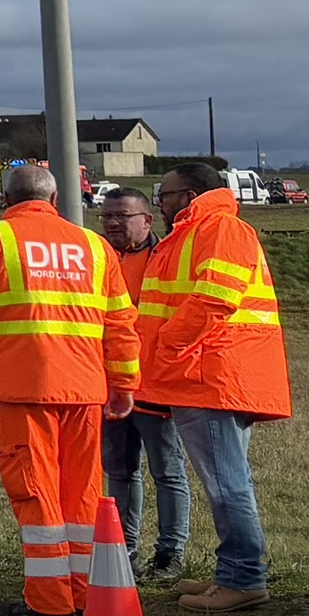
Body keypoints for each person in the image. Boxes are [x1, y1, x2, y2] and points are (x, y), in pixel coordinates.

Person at [0, 164, 139, 616]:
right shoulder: (95, 246)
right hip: (86, 390)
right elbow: (121, 325)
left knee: (37, 494)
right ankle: (86, 595)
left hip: (23, 388)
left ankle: (49, 603)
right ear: (53, 201)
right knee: (82, 494)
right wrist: (124, 385)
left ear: (8, 200)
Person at [140, 163, 292, 612]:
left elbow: (214, 300)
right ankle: (233, 573)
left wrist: (168, 347)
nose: (160, 202)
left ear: (188, 195)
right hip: (205, 374)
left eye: (163, 194)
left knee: (228, 484)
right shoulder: (202, 230)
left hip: (208, 376)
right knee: (227, 481)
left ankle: (242, 577)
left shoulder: (220, 229)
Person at [97, 187, 191, 579]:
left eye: (123, 216)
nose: (114, 223)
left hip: (156, 387)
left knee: (167, 472)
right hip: (110, 385)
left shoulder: (167, 257)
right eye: (107, 217)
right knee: (119, 472)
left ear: (146, 220)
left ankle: (170, 554)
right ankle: (125, 551)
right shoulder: (96, 256)